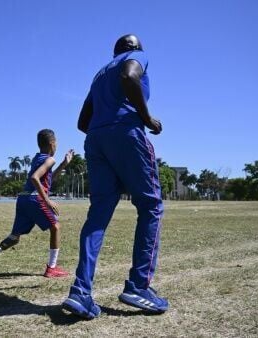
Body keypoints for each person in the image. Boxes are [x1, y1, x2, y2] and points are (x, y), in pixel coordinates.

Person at [62, 34, 168, 319]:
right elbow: (129, 76)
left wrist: (106, 137)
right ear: (136, 48)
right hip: (127, 133)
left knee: (97, 216)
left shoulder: (99, 75)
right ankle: (138, 286)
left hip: (96, 139)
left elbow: (82, 122)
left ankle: (81, 292)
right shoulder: (137, 58)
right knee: (151, 207)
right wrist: (146, 119)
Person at [0, 129, 74, 278]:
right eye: (56, 144)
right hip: (35, 199)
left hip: (23, 199)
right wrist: (47, 201)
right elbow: (35, 178)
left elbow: (48, 179)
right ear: (52, 144)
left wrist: (64, 164)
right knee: (55, 227)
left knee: (15, 236)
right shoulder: (49, 159)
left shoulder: (37, 158)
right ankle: (52, 268)